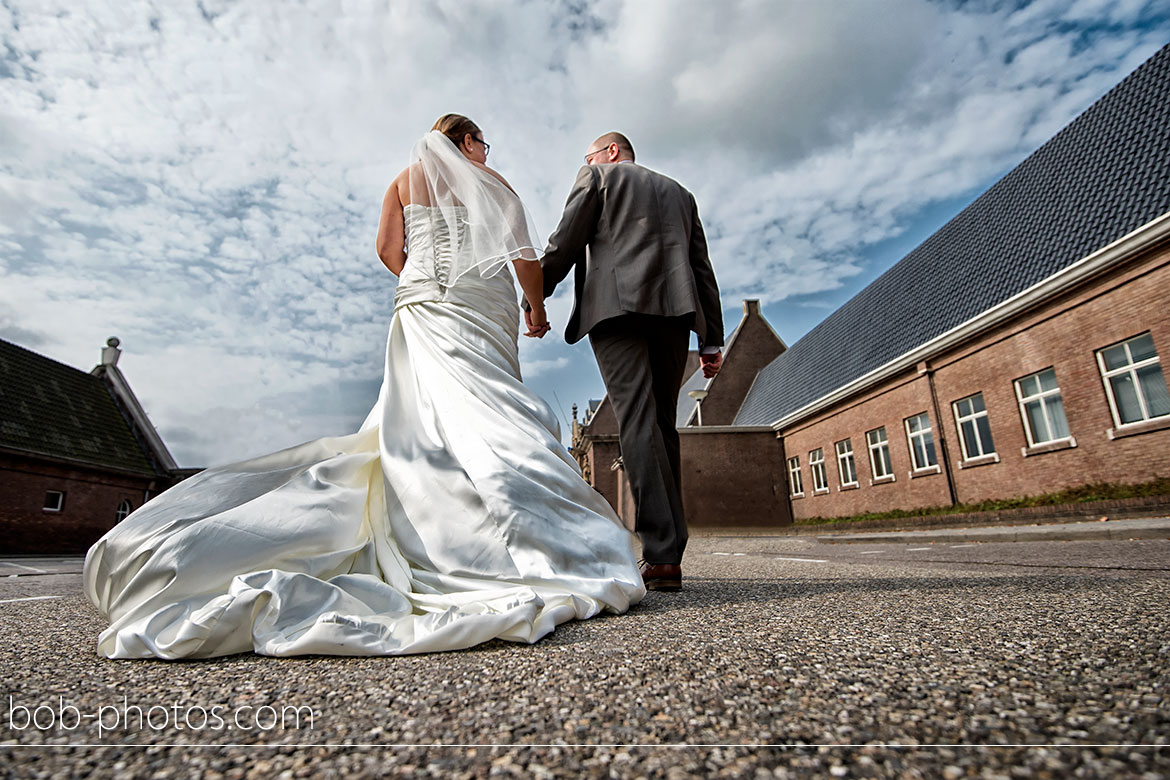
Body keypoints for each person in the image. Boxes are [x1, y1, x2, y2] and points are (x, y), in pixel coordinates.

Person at [82, 115, 645, 659]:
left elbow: (387, 251)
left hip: (424, 304)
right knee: (488, 406)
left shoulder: (404, 181)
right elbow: (522, 253)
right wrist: (536, 309)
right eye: (482, 144)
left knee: (421, 415)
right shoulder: (493, 183)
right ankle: (509, 524)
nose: (483, 155)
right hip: (481, 304)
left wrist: (423, 276)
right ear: (468, 141)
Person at [527, 132, 723, 592]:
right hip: (675, 313)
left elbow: (567, 241)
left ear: (611, 152)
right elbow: (701, 268)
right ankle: (669, 552)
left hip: (616, 310)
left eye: (590, 153)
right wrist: (711, 340)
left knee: (635, 421)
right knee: (661, 425)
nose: (588, 160)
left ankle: (660, 551)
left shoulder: (595, 177)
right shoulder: (680, 193)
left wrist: (535, 297)